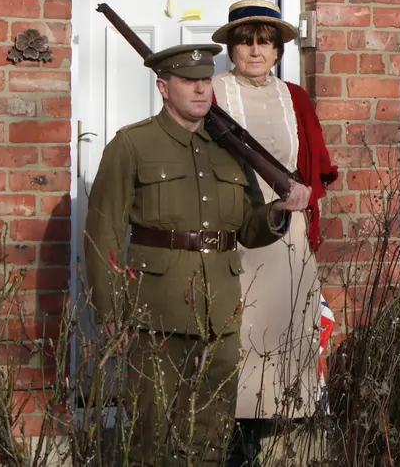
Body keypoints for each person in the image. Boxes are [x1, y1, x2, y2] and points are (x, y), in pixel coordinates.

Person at [82, 42, 308, 466]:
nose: (201, 89)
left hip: (220, 308)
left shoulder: (229, 148)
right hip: (156, 311)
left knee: (212, 431)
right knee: (153, 431)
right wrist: (111, 311)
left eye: (206, 80)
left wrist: (277, 212)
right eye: (189, 82)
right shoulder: (132, 145)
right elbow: (102, 232)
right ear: (163, 88)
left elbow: (246, 226)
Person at [208, 0, 338, 465]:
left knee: (286, 335)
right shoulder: (213, 94)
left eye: (266, 41)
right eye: (246, 41)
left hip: (289, 237)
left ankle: (271, 435)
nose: (256, 50)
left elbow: (315, 167)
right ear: (232, 48)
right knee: (238, 337)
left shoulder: (295, 97)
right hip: (237, 233)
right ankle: (233, 439)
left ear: (280, 49)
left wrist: (299, 199)